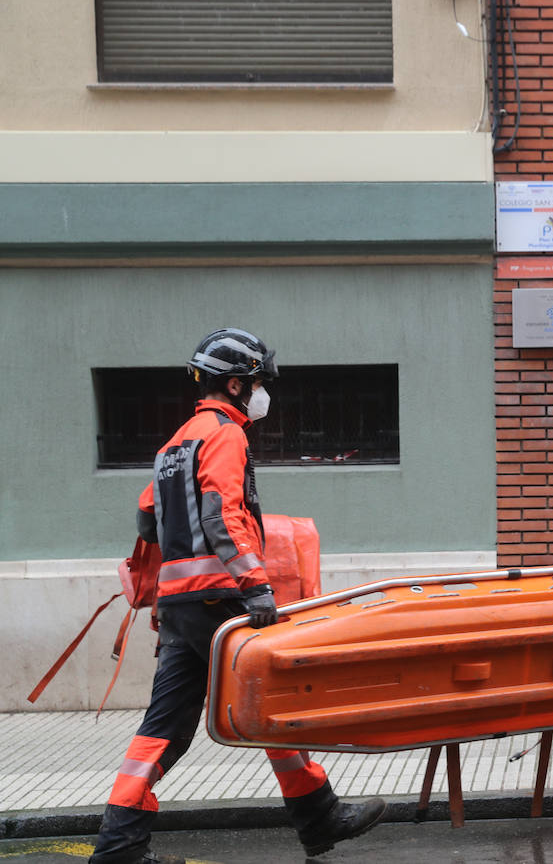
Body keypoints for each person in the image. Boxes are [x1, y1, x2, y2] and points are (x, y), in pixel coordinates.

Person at [89, 329, 386, 864]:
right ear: (234, 385)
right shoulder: (226, 435)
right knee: (274, 701)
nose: (261, 394)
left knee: (166, 726)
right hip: (219, 599)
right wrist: (257, 586)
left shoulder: (174, 442)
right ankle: (319, 817)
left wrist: (173, 583)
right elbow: (222, 514)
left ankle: (119, 844)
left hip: (181, 607)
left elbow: (146, 521)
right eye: (256, 384)